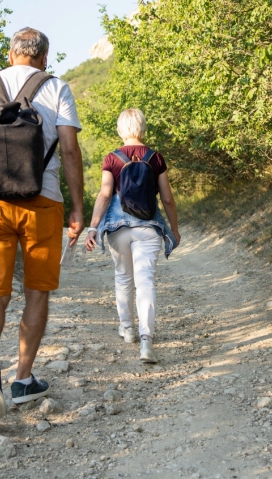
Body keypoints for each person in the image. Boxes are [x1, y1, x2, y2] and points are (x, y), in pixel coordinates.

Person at [0, 28, 84, 419]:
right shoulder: (57, 88)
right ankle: (23, 378)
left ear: (10, 55)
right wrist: (77, 208)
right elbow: (70, 150)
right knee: (37, 291)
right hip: (42, 201)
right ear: (43, 57)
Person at [83, 108, 181, 363]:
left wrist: (93, 227)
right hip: (148, 227)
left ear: (120, 130)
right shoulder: (155, 158)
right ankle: (146, 340)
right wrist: (174, 229)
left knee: (123, 277)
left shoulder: (112, 159)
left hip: (117, 228)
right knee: (145, 281)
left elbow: (105, 195)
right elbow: (167, 198)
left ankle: (127, 329)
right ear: (143, 128)